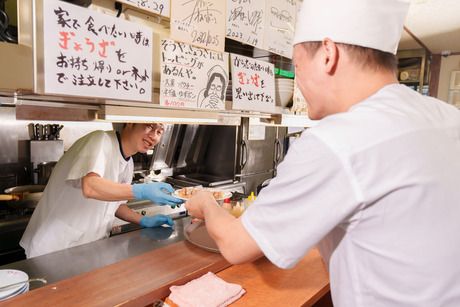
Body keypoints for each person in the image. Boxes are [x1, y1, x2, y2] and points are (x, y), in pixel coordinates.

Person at [185, 0, 460, 306]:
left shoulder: (339, 139)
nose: (299, 84)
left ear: (328, 55)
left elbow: (237, 245)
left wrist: (208, 204)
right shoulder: (448, 117)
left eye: (298, 67)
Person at [20, 123, 183, 258]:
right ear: (130, 122)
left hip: (87, 249)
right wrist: (141, 190)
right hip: (55, 248)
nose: (154, 136)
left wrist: (142, 220)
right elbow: (90, 186)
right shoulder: (100, 140)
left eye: (159, 131)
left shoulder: (128, 163)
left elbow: (116, 205)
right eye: (149, 127)